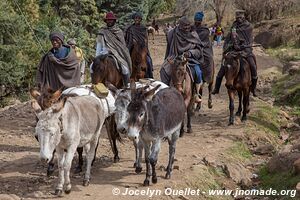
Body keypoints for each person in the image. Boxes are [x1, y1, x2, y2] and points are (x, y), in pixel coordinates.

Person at [212, 10, 258, 96]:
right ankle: (216, 87)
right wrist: (233, 45)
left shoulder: (249, 27)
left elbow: (250, 40)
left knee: (252, 65)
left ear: (243, 17)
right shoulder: (233, 27)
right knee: (224, 66)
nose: (238, 19)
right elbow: (230, 39)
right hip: (234, 51)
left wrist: (244, 45)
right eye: (237, 18)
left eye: (240, 18)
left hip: (246, 51)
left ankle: (253, 88)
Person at [160, 16, 203, 103]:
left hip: (190, 60)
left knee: (198, 73)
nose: (187, 27)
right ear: (179, 25)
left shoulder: (194, 35)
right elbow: (169, 46)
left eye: (188, 25)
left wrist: (190, 53)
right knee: (163, 70)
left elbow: (199, 51)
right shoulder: (173, 34)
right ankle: (165, 91)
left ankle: (196, 94)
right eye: (184, 26)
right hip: (174, 57)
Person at [96, 12, 132, 86]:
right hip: (103, 53)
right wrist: (97, 56)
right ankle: (94, 83)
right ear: (106, 21)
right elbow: (99, 45)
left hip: (117, 54)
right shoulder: (102, 31)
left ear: (114, 21)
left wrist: (113, 50)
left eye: (111, 20)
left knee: (125, 68)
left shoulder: (119, 32)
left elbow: (122, 46)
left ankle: (126, 85)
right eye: (108, 20)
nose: (109, 21)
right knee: (92, 67)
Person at [125, 12, 153, 78]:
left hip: (142, 49)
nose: (137, 19)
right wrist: (132, 43)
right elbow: (127, 39)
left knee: (148, 60)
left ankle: (150, 76)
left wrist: (144, 46)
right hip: (132, 47)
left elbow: (146, 40)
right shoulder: (130, 28)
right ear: (134, 19)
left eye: (138, 18)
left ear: (140, 19)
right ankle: (125, 78)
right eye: (136, 18)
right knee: (125, 60)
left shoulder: (143, 29)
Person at [193, 11, 214, 85]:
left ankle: (208, 78)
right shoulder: (192, 28)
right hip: (193, 48)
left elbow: (202, 42)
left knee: (209, 58)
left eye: (198, 21)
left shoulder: (205, 30)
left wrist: (196, 43)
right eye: (196, 21)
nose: (197, 22)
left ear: (201, 21)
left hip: (204, 48)